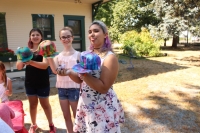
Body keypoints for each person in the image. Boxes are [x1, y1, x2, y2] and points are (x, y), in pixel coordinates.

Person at [57, 20, 125, 132]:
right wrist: (69, 72)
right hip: (86, 103)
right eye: (89, 32)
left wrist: (83, 73)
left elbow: (103, 88)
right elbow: (80, 80)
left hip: (102, 106)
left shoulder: (109, 57)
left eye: (96, 31)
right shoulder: (87, 55)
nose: (91, 34)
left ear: (105, 35)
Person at [39, 27, 81, 133]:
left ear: (72, 38)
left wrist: (70, 72)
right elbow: (54, 70)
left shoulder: (79, 55)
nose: (66, 39)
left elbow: (81, 74)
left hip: (75, 88)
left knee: (77, 116)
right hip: (62, 89)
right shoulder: (57, 56)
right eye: (63, 37)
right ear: (60, 39)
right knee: (66, 116)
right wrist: (48, 56)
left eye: (68, 36)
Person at [16, 28, 56, 133]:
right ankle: (34, 125)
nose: (35, 36)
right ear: (30, 37)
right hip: (30, 82)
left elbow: (44, 65)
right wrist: (20, 56)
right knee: (32, 105)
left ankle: (51, 125)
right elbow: (19, 67)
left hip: (42, 82)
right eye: (33, 35)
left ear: (41, 37)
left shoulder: (44, 49)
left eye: (37, 34)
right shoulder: (25, 50)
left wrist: (30, 62)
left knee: (45, 105)